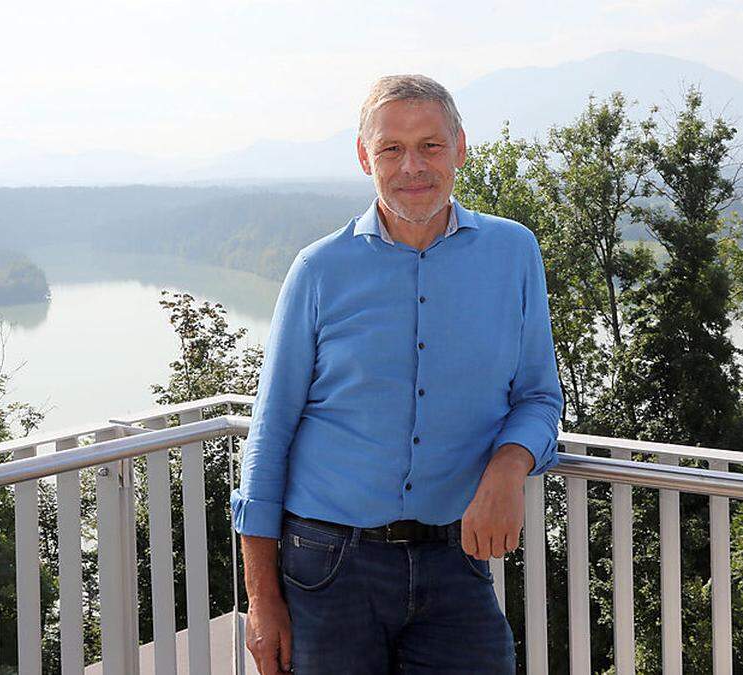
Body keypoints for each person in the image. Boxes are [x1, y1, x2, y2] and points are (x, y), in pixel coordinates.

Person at [229, 74, 564, 674]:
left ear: (460, 147)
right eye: (391, 148)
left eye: (430, 145)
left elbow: (539, 396)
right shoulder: (319, 270)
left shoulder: (513, 253)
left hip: (454, 560)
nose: (413, 166)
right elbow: (269, 433)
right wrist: (262, 600)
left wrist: (508, 467)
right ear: (365, 157)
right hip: (327, 566)